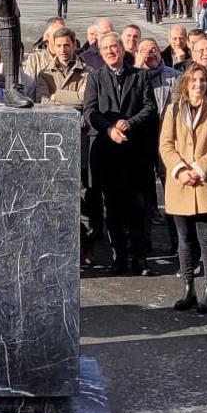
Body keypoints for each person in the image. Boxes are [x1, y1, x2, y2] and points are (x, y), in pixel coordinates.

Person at [160, 64, 207, 313]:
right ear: (186, 84)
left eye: (202, 80)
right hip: (180, 183)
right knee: (184, 239)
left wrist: (199, 169)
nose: (198, 85)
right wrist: (181, 169)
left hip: (205, 182)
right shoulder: (173, 109)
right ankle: (188, 287)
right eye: (194, 81)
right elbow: (166, 145)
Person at [83, 32, 157, 273]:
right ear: (101, 52)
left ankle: (140, 258)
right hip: (107, 152)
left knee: (138, 207)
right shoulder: (95, 78)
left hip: (135, 152)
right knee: (112, 209)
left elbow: (149, 107)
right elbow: (90, 111)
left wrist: (130, 123)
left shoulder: (141, 76)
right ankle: (119, 258)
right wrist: (109, 129)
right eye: (105, 48)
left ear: (123, 49)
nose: (110, 51)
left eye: (114, 47)